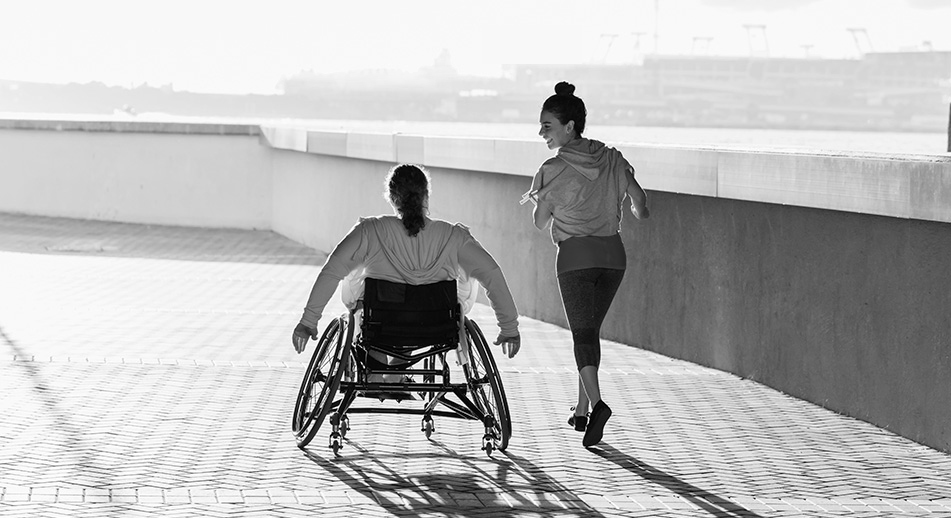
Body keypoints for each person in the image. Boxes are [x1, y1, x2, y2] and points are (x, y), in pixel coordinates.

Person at [292, 164, 522, 369]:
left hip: (380, 322)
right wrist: (509, 328)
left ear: (391, 198)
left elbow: (332, 271)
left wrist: (308, 322)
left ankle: (376, 366)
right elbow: (491, 274)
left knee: (354, 276)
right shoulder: (454, 236)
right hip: (436, 325)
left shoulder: (370, 231)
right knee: (466, 277)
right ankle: (396, 371)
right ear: (426, 197)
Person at [525, 81, 649, 448]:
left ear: (569, 127)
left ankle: (597, 405)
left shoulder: (552, 169)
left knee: (581, 333)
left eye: (547, 126)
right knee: (589, 331)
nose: (541, 133)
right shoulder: (612, 158)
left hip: (576, 258)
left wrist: (541, 197)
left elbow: (539, 222)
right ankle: (581, 410)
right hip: (613, 256)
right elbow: (641, 203)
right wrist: (630, 207)